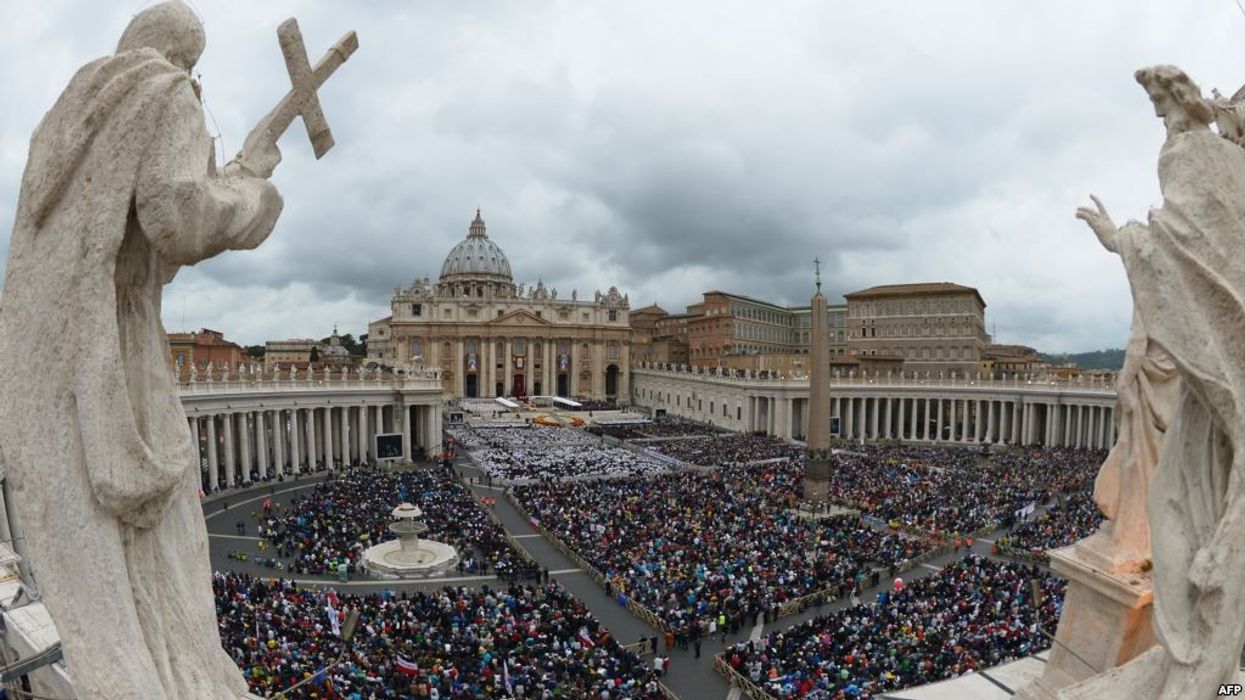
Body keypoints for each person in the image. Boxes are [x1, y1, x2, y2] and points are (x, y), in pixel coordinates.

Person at [0, 3, 282, 697]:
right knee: (162, 543)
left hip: (51, 345)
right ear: (187, 57)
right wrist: (254, 188)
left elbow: (135, 244)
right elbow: (175, 220)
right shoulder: (166, 91)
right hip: (116, 343)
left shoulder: (66, 118)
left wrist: (231, 164)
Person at [1076, 64, 1245, 698]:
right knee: (1180, 514)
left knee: (1183, 517)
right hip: (1216, 401)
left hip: (1223, 406)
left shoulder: (1211, 167)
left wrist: (1124, 238)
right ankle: (1207, 675)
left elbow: (1181, 257)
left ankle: (1203, 680)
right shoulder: (1215, 166)